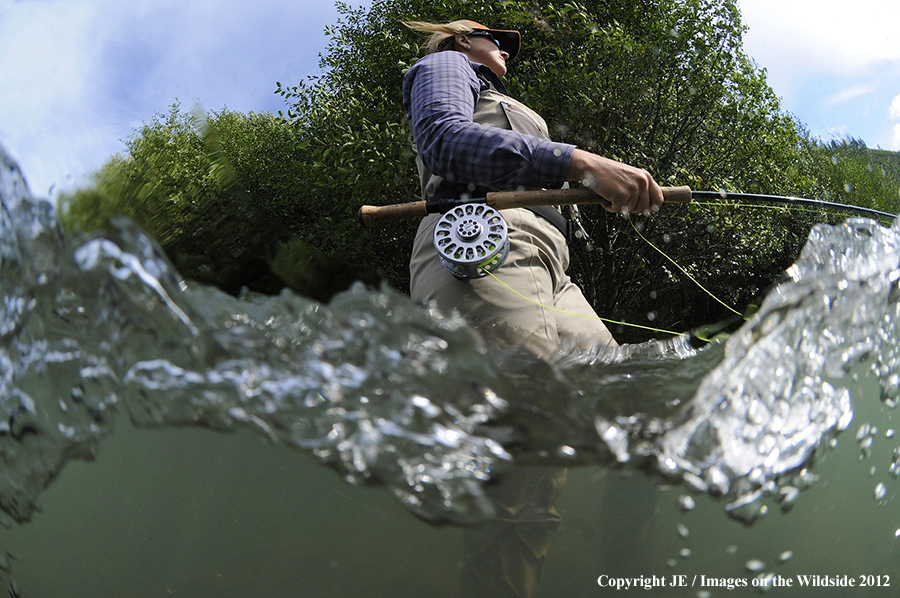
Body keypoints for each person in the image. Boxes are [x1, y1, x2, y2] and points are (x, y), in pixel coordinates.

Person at [401, 19, 664, 598]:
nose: (506, 46)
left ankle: (627, 569)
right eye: (493, 35)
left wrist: (586, 186)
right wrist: (582, 161)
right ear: (458, 40)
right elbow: (445, 139)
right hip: (483, 246)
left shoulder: (504, 100)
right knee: (526, 446)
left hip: (548, 267)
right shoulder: (445, 67)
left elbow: (527, 166)